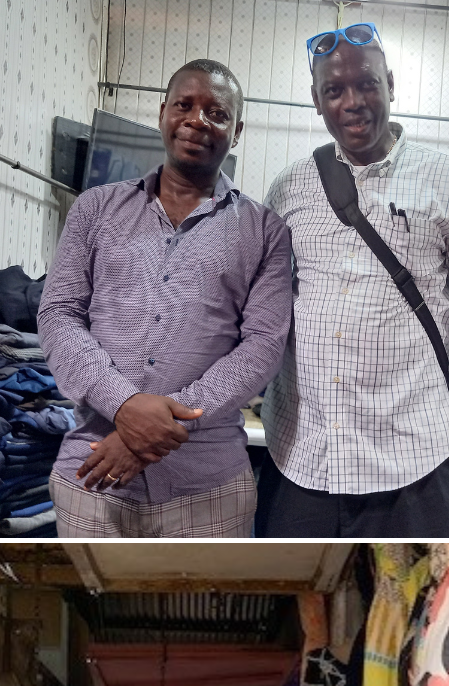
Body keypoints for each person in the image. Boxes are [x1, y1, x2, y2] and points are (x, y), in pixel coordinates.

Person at [258, 22, 449, 537]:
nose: (353, 102)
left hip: (413, 460)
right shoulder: (288, 190)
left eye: (367, 84)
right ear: (316, 99)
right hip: (305, 454)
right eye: (335, 90)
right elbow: (264, 307)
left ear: (390, 85)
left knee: (411, 605)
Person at [38, 58, 293, 537]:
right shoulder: (96, 208)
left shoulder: (265, 231)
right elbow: (58, 316)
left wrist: (150, 434)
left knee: (215, 611)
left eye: (217, 113)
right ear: (163, 114)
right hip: (92, 474)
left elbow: (262, 348)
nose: (198, 120)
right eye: (185, 105)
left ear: (236, 132)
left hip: (209, 491)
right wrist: (125, 406)